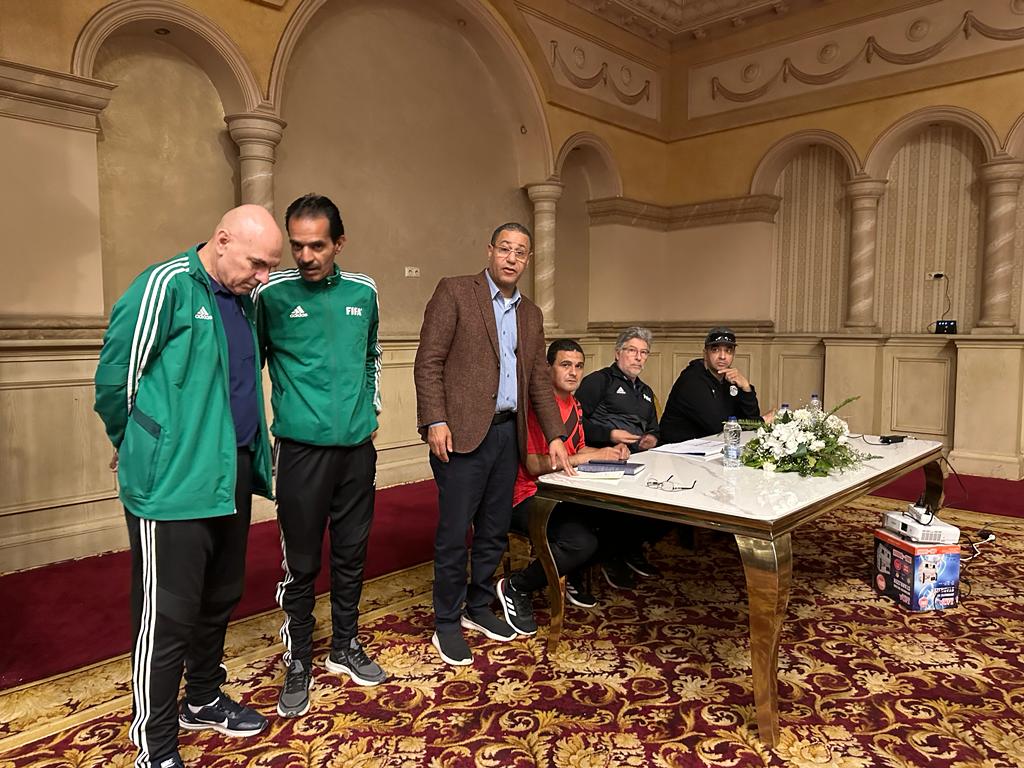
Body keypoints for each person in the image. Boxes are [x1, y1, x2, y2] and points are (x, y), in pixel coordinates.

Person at [94, 205, 282, 768]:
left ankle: (201, 697)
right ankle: (154, 744)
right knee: (167, 615)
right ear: (221, 240)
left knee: (220, 594)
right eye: (256, 263)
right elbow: (116, 380)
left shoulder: (244, 299)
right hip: (173, 483)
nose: (263, 277)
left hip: (232, 472)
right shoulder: (167, 285)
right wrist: (138, 444)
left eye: (270, 267)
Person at [414, 222, 571, 666]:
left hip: (507, 433)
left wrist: (556, 435)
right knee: (454, 534)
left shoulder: (531, 314)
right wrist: (435, 420)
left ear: (528, 261)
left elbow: (539, 379)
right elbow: (428, 362)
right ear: (490, 251)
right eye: (505, 249)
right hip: (460, 434)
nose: (511, 258)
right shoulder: (455, 292)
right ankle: (447, 622)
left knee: (493, 529)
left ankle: (478, 606)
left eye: (520, 253)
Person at [253, 194, 385, 719]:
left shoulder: (364, 291)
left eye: (317, 246)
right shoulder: (271, 295)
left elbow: (371, 354)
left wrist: (370, 409)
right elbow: (248, 364)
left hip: (356, 450)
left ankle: (345, 645)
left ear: (339, 243)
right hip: (300, 452)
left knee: (352, 554)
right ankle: (300, 658)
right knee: (302, 563)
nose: (306, 256)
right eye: (297, 245)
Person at [496, 339, 630, 636]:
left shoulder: (575, 404)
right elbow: (534, 465)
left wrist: (609, 452)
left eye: (579, 366)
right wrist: (588, 457)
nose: (573, 372)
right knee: (580, 542)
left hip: (565, 490)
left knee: (621, 521)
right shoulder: (536, 407)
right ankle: (516, 586)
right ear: (548, 369)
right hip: (526, 496)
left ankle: (570, 572)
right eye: (565, 365)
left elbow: (578, 449)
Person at [575, 326, 662, 588]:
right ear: (617, 353)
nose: (638, 357)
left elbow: (654, 428)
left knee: (662, 500)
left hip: (637, 460)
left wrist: (652, 438)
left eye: (643, 353)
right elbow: (575, 423)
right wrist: (610, 434)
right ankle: (610, 555)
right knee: (621, 506)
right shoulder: (599, 381)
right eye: (632, 350)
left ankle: (629, 549)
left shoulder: (646, 392)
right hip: (601, 458)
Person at [659, 326, 765, 444]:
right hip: (675, 449)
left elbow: (751, 421)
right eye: (715, 350)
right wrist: (763, 421)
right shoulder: (692, 381)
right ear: (705, 353)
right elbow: (719, 427)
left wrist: (746, 388)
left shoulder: (729, 379)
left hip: (708, 446)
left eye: (728, 351)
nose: (722, 356)